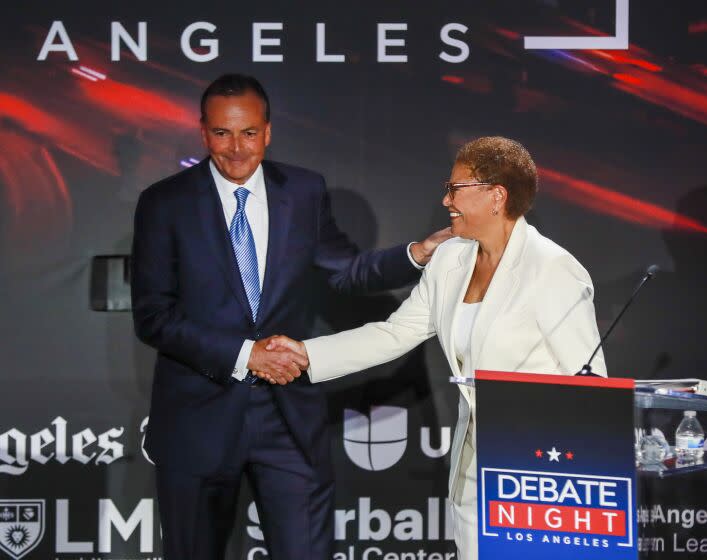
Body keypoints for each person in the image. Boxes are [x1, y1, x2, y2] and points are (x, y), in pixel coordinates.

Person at [131, 73, 451, 560]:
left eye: (249, 133)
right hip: (199, 416)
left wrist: (416, 253)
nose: (237, 148)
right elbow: (153, 315)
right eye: (222, 133)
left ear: (268, 131)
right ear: (202, 132)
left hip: (288, 419)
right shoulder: (164, 202)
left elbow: (346, 272)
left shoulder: (303, 191)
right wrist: (247, 355)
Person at [264, 136, 608, 560]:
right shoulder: (451, 259)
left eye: (455, 189)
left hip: (541, 471)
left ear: (496, 196)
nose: (445, 200)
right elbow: (396, 333)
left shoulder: (553, 269)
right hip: (474, 466)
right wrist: (306, 354)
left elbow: (591, 384)